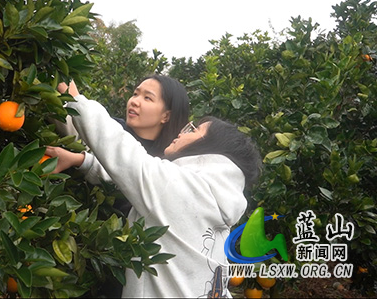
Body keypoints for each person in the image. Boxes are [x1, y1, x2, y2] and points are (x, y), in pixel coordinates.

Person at [46, 91, 262, 298]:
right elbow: (144, 184)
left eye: (193, 129)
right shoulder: (212, 197)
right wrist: (83, 161)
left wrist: (74, 99)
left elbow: (121, 152)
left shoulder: (187, 190)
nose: (183, 131)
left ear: (209, 149)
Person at [51, 74, 190, 184]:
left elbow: (130, 177)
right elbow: (78, 131)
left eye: (147, 98)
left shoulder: (165, 163)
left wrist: (80, 160)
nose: (134, 101)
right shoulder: (114, 126)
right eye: (135, 94)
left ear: (166, 116)